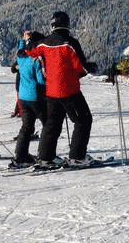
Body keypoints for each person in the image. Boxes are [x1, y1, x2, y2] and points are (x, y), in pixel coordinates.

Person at [25, 11, 95, 167]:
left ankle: (45, 157)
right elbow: (81, 67)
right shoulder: (70, 42)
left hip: (51, 91)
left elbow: (30, 51)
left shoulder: (44, 43)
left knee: (52, 124)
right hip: (69, 90)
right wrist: (89, 68)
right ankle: (77, 157)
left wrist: (32, 38)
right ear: (67, 25)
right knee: (83, 120)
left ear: (52, 25)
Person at [10, 31, 47, 168]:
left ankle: (20, 156)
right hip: (36, 97)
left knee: (27, 126)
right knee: (48, 124)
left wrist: (23, 39)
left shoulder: (21, 56)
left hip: (23, 97)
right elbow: (41, 79)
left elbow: (20, 49)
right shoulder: (35, 59)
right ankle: (46, 155)